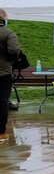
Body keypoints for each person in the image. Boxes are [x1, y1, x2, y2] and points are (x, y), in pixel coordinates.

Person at [0, 10, 19, 142]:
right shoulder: (8, 33)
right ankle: (1, 133)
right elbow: (13, 50)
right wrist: (11, 60)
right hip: (3, 73)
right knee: (2, 102)